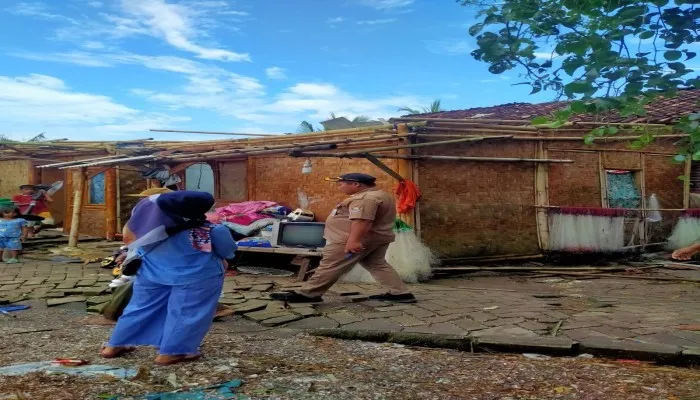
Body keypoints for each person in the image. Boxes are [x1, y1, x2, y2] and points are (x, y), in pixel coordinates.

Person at [101, 191, 236, 366]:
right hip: (197, 277)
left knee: (139, 308)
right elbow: (227, 251)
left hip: (151, 275)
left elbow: (138, 250)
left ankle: (115, 345)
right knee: (186, 313)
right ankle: (172, 352)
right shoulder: (212, 230)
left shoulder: (150, 230)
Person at [270, 173, 417, 304]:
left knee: (330, 265)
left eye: (342, 184)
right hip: (376, 237)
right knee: (377, 265)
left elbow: (362, 221)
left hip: (352, 239)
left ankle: (308, 293)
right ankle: (400, 293)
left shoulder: (365, 199)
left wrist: (354, 241)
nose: (340, 187)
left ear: (356, 184)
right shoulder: (380, 194)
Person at [0, 199, 27, 264]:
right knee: (0, 248)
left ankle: (14, 258)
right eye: (6, 212)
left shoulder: (20, 220)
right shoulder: (0, 220)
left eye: (10, 212)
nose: (7, 214)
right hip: (1, 236)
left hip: (14, 237)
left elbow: (24, 228)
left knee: (14, 247)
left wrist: (24, 235)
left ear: (15, 213)